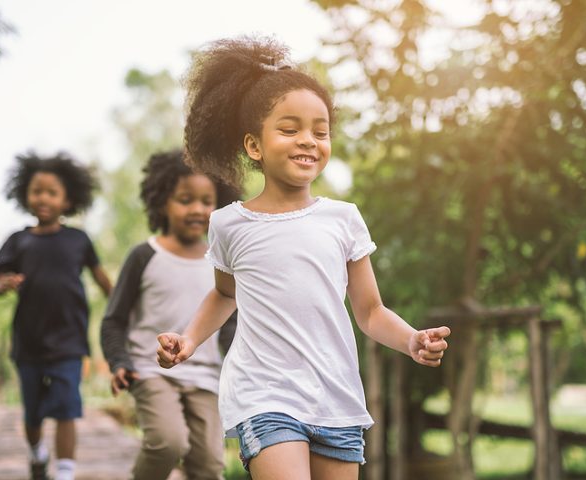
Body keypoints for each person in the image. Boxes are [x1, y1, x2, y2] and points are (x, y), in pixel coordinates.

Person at [156, 36, 451, 480]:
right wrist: (190, 340)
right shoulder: (229, 224)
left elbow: (370, 312)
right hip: (264, 396)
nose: (308, 141)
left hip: (336, 399)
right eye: (290, 129)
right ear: (254, 146)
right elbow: (223, 295)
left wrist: (410, 340)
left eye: (320, 130)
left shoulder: (343, 219)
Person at [100, 150, 239, 480]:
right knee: (167, 443)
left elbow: (229, 323)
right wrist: (119, 361)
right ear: (163, 202)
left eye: (207, 201)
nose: (198, 209)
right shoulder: (144, 255)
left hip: (206, 376)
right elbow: (113, 320)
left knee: (208, 466)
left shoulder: (221, 262)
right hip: (151, 371)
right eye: (185, 199)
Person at [0, 151, 112, 480]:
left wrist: (120, 305)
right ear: (25, 195)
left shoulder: (78, 240)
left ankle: (65, 473)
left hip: (69, 340)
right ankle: (36, 453)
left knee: (67, 408)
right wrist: (4, 285)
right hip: (29, 342)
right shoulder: (19, 241)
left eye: (51, 192)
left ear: (68, 199)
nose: (43, 198)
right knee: (33, 416)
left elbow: (101, 277)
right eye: (36, 191)